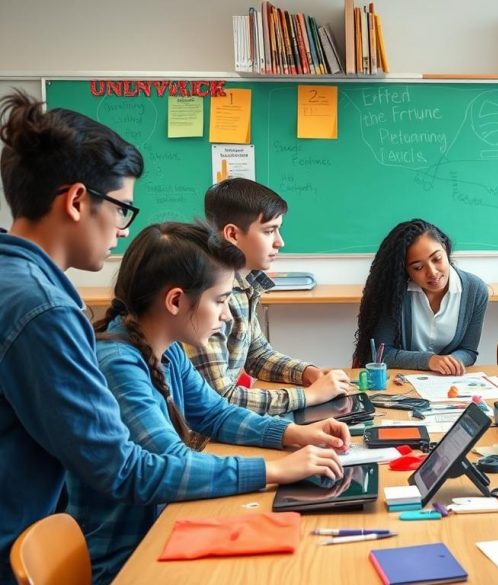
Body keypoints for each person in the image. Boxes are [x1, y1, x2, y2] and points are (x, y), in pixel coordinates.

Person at [0, 90, 221, 583]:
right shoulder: (44, 308)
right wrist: (273, 471)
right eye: (122, 209)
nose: (123, 229)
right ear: (78, 201)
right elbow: (123, 469)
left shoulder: (16, 282)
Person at [68, 222, 351, 584]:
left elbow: (216, 414)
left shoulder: (164, 349)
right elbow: (170, 464)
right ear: (175, 301)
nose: (228, 314)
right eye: (219, 300)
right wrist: (275, 470)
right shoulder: (119, 365)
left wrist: (297, 434)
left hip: (160, 536)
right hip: (129, 562)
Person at [183, 178, 349, 416]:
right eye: (269, 231)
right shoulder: (208, 294)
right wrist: (309, 396)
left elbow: (257, 355)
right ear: (232, 234)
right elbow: (219, 398)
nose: (280, 242)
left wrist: (309, 373)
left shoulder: (244, 285)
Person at [354, 219, 487, 374]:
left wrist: (449, 363)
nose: (432, 272)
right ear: (405, 270)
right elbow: (381, 354)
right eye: (418, 267)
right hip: (401, 385)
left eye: (437, 259)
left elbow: (468, 351)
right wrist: (430, 360)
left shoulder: (475, 290)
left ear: (445, 248)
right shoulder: (394, 293)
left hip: (447, 384)